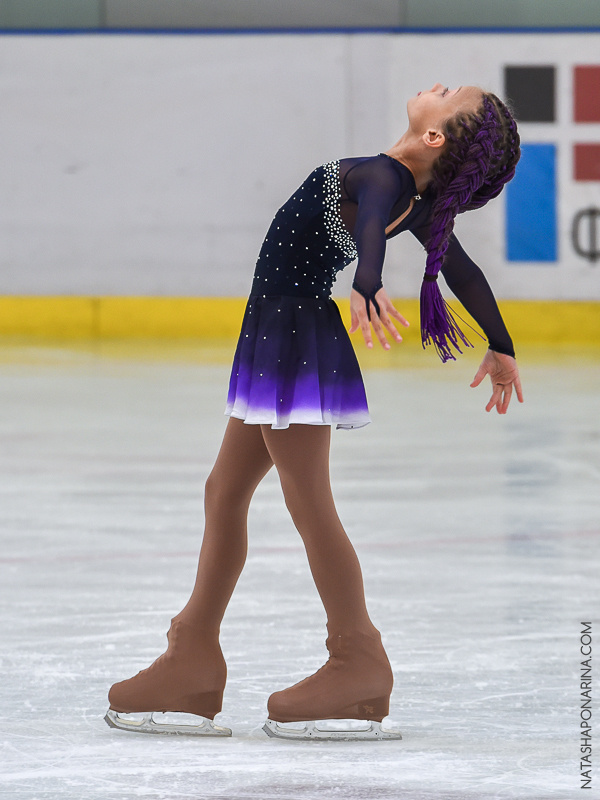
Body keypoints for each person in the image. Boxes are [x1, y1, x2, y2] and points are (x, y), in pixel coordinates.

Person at [105, 83, 523, 740]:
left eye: (448, 94)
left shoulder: (386, 178)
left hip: (291, 337)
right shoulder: (411, 193)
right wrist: (501, 344)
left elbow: (370, 226)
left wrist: (366, 282)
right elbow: (460, 272)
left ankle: (357, 658)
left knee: (308, 501)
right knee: (224, 491)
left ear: (435, 137)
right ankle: (192, 654)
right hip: (277, 331)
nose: (436, 87)